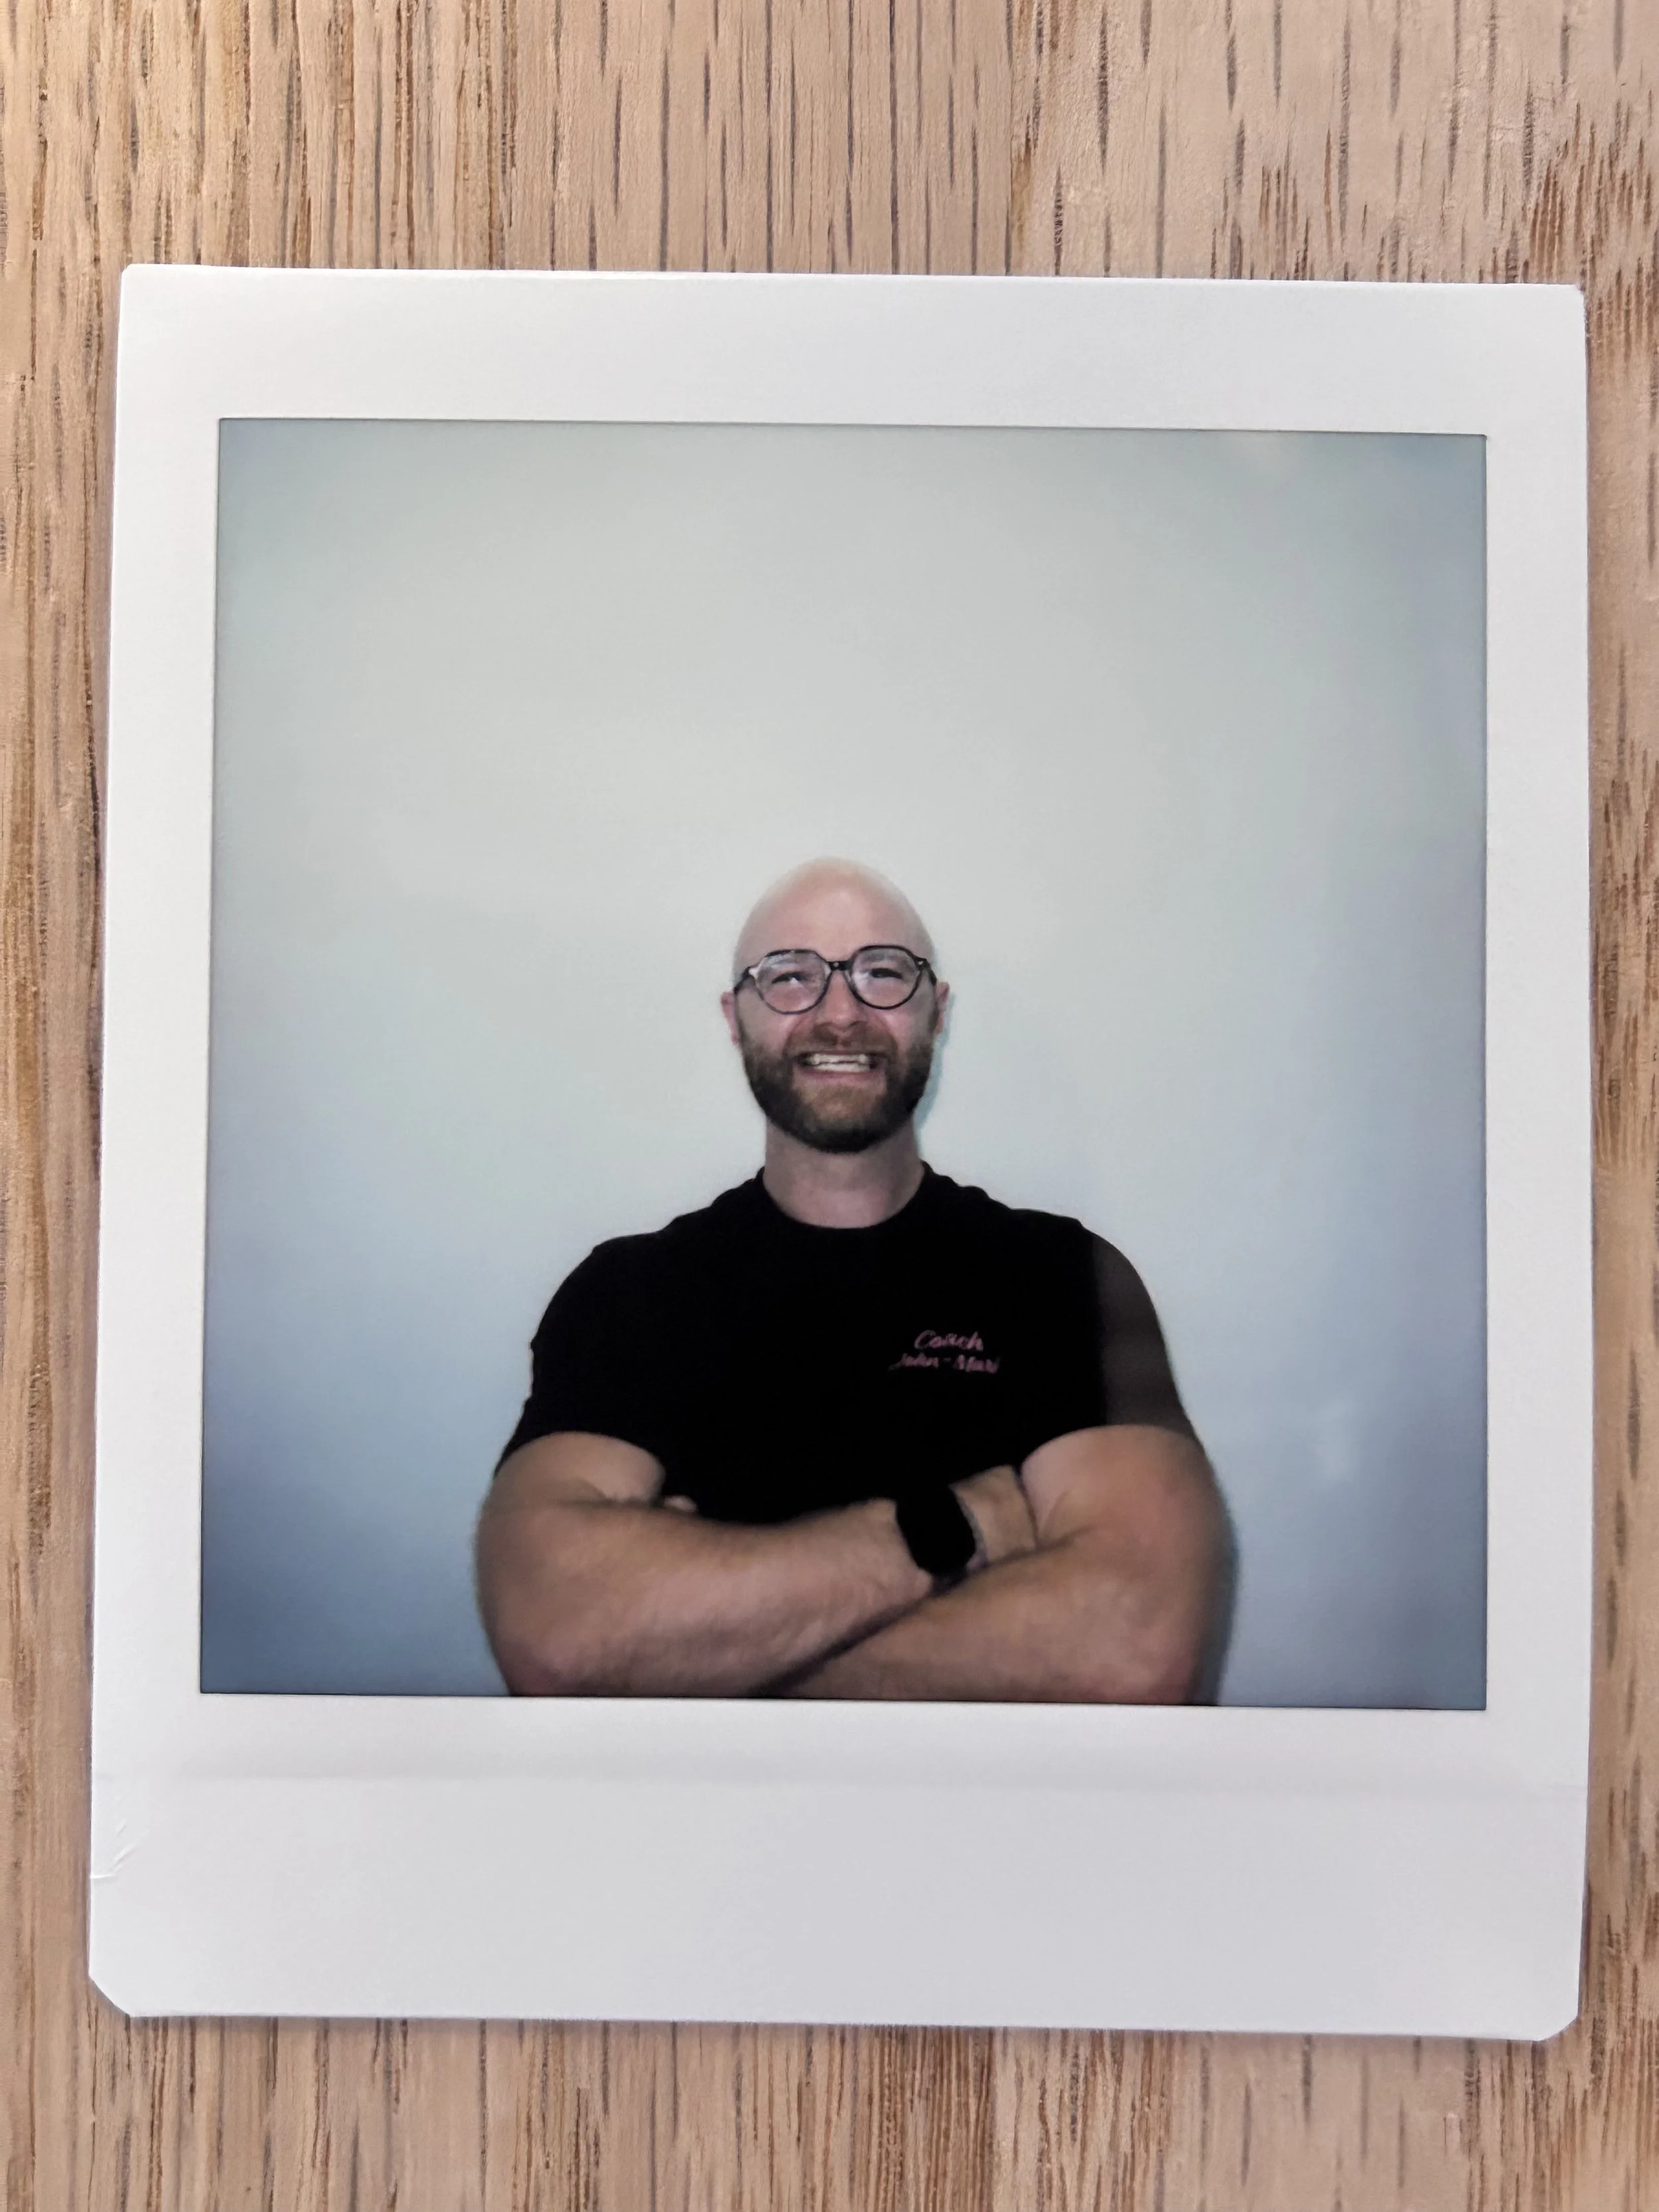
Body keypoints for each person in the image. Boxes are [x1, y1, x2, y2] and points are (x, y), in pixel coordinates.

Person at [476, 859, 1227, 1702]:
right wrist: (967, 1526)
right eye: (789, 976)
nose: (839, 1013)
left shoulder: (1062, 1277)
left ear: (937, 1011)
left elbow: (1138, 1648)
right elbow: (556, 1635)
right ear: (735, 1018)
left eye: (883, 973)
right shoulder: (629, 1293)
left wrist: (700, 1649)